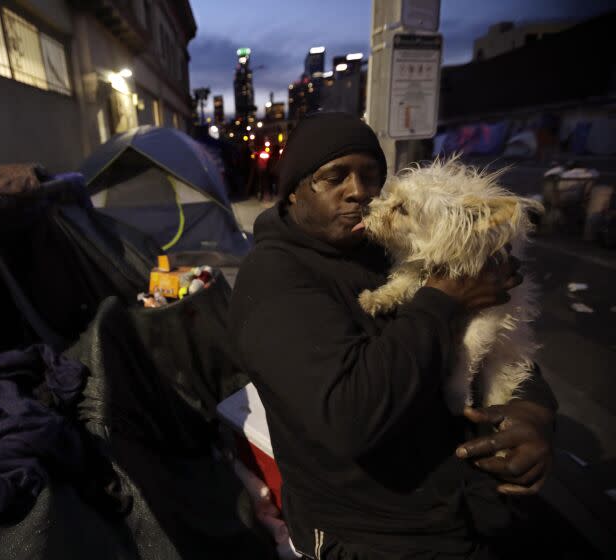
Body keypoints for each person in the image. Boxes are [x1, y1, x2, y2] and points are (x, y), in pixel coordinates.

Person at [228, 112, 561, 559]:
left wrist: (531, 413)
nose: (359, 192)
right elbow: (349, 420)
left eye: (371, 177)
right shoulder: (274, 279)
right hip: (378, 539)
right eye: (334, 177)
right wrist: (445, 297)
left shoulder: (389, 244)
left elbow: (504, 335)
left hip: (469, 515)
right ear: (294, 191)